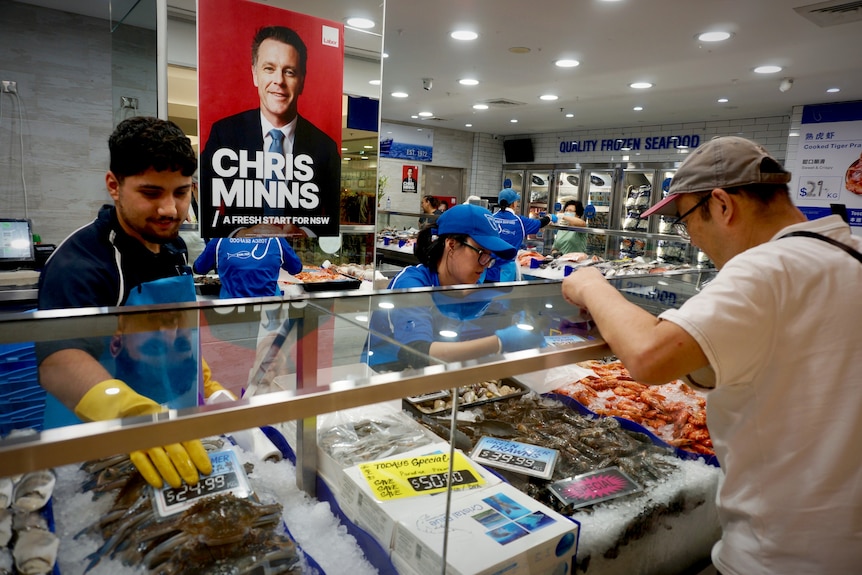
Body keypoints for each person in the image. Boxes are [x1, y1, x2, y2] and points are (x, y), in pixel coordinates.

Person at [561, 136, 862, 574]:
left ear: (722, 205)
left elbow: (648, 357)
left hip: (782, 555)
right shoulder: (849, 250)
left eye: (685, 222)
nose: (693, 241)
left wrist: (589, 284)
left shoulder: (767, 267)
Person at [37, 116, 234, 490]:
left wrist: (204, 382)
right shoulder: (79, 264)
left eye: (180, 192)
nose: (169, 210)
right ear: (114, 185)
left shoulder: (173, 246)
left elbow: (176, 328)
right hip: (99, 450)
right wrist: (129, 414)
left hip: (175, 433)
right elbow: (59, 361)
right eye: (150, 193)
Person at [199, 25, 340, 239]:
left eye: (289, 71)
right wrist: (240, 234)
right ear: (255, 74)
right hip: (240, 261)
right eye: (269, 68)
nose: (279, 81)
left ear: (302, 80)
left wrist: (305, 234)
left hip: (300, 266)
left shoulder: (325, 148)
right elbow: (205, 213)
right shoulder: (224, 134)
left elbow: (333, 221)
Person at [365, 204, 545, 371]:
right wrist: (500, 342)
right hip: (388, 376)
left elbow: (490, 314)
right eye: (481, 253)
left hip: (439, 377)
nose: (484, 264)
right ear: (451, 245)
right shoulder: (411, 283)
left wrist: (517, 320)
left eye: (489, 257)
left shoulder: (467, 285)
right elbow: (419, 354)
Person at [193, 236, 302, 299]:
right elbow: (296, 268)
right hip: (270, 309)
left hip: (229, 309)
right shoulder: (276, 239)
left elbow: (199, 268)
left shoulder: (219, 240)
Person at [484, 188, 553, 282]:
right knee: (502, 295)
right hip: (505, 271)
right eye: (516, 201)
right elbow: (540, 223)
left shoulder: (490, 218)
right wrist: (550, 217)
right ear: (513, 204)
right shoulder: (520, 221)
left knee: (485, 293)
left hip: (486, 266)